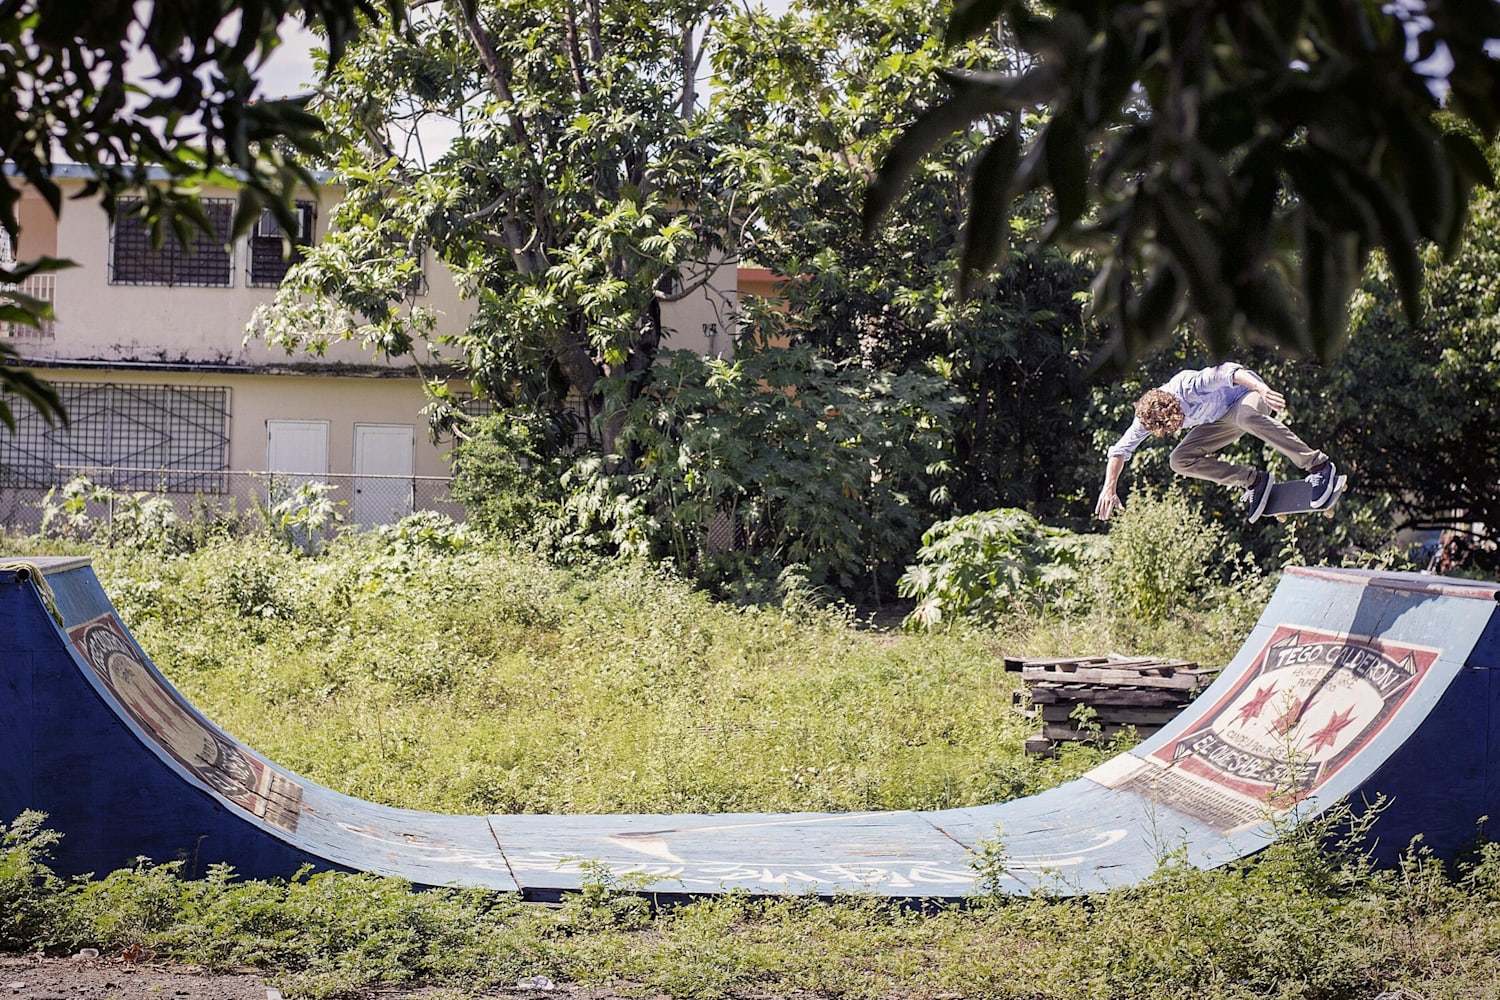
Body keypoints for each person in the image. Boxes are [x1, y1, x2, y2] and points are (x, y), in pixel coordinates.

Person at [1095, 362, 1336, 522]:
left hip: (1247, 394)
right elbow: (1120, 450)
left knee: (1246, 417)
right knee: (1178, 460)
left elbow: (1229, 371)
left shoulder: (1188, 386)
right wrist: (1109, 487)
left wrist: (1261, 388)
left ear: (1175, 407)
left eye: (1175, 423)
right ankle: (1254, 481)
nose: (1176, 429)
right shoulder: (1146, 418)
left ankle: (1318, 465)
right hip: (1220, 419)